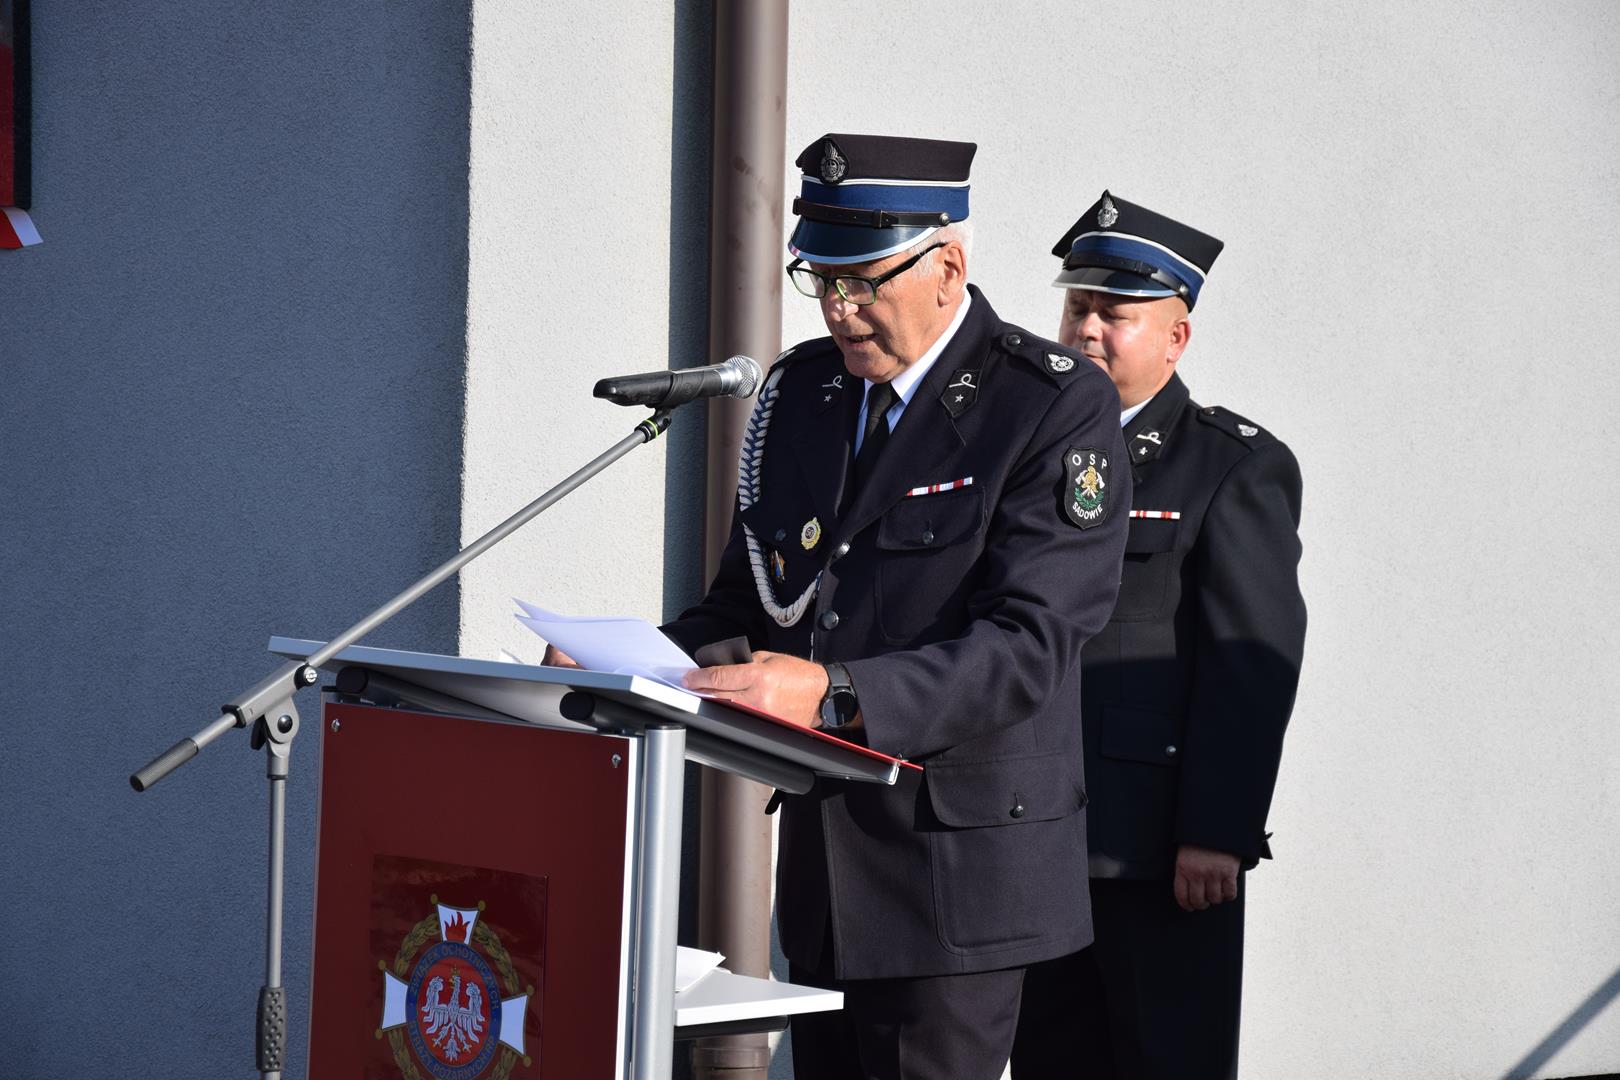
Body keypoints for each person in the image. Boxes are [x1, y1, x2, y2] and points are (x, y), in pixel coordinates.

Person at [663, 135, 1127, 1080]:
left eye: (864, 280)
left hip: (959, 875)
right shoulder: (804, 393)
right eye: (820, 280)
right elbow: (749, 603)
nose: (839, 308)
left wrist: (833, 693)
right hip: (829, 875)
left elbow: (1030, 644)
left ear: (947, 264)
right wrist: (628, 661)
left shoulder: (1049, 405)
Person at [1009, 191, 1308, 1080]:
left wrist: (1217, 829)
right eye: (1076, 307)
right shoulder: (1021, 455)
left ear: (1175, 339)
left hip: (1159, 851)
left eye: (1114, 314)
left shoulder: (1231, 466)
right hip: (1032, 840)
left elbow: (1249, 663)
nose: (1086, 330)